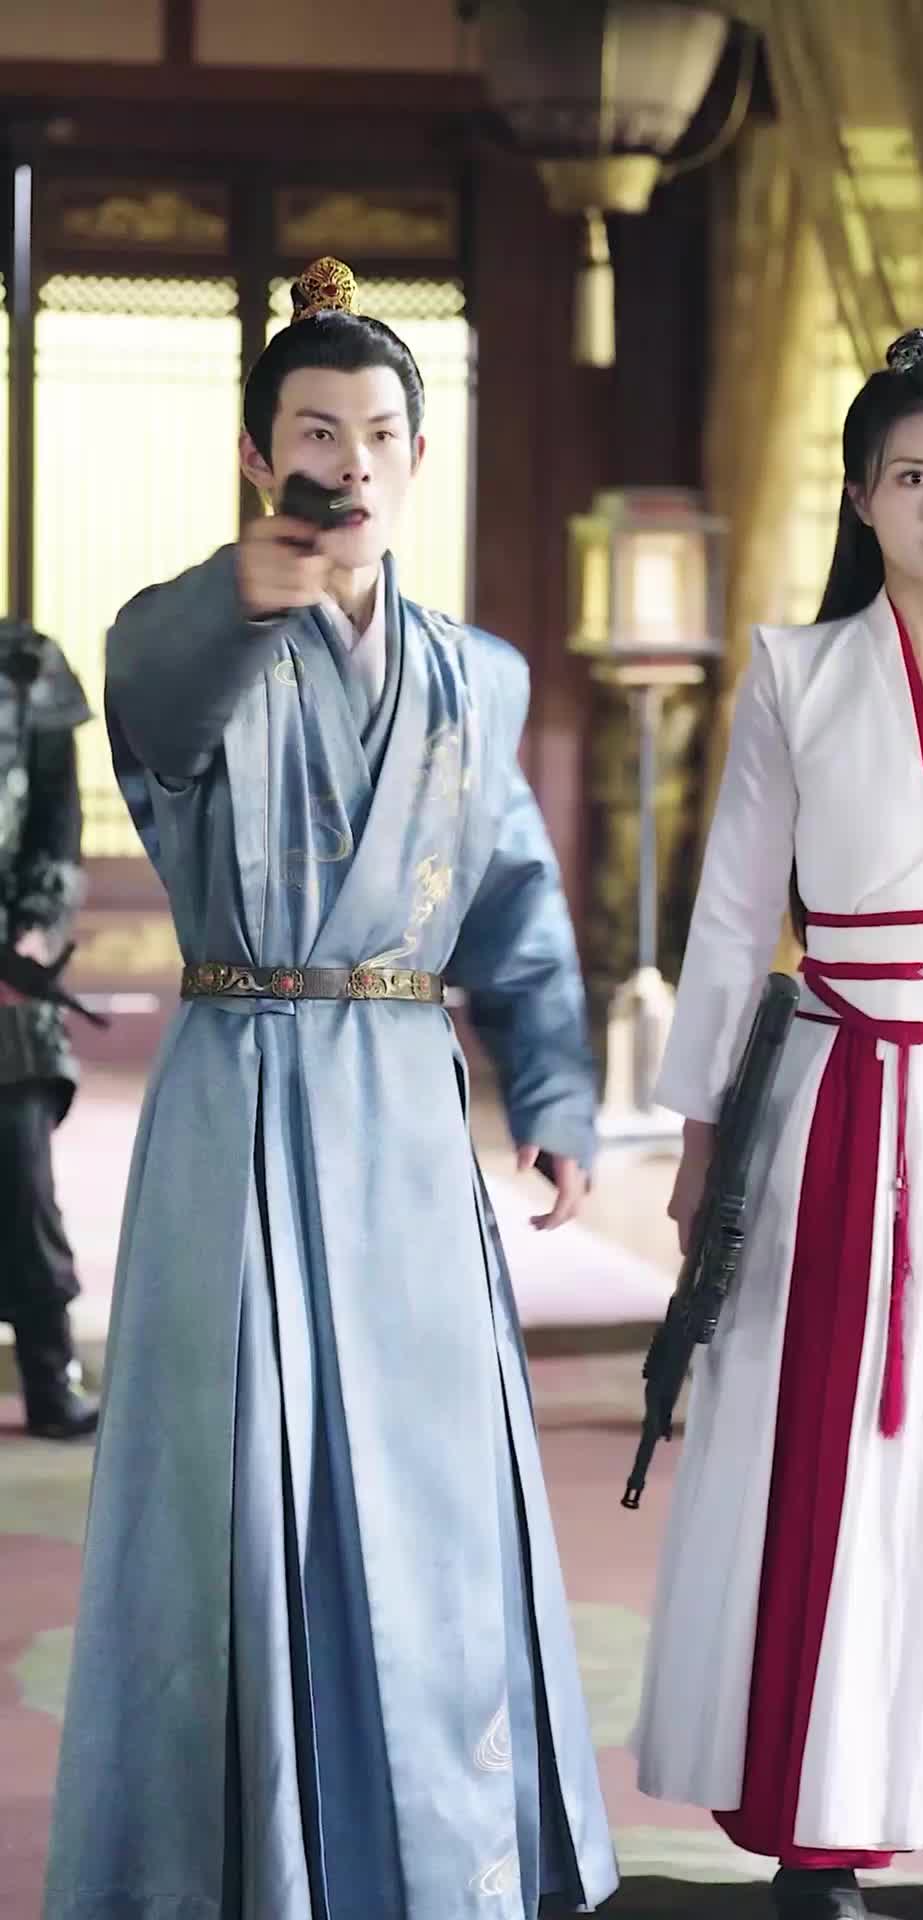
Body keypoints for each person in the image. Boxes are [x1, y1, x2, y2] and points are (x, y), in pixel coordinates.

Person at [45, 256, 617, 1920]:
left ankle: (425, 1851)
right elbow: (153, 689)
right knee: (239, 1486)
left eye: (377, 434)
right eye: (313, 432)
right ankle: (240, 1863)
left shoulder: (477, 678)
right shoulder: (186, 641)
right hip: (239, 1100)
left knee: (427, 1491)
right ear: (256, 454)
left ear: (417, 459)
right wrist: (251, 587)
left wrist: (556, 1097)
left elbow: (514, 906)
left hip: (401, 1116)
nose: (349, 462)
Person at [634, 327, 923, 1920]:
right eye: (911, 476)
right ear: (860, 497)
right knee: (833, 1443)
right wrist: (700, 1138)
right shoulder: (798, 675)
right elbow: (732, 913)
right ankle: (818, 1830)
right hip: (839, 1093)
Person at [0, 616, 96, 1440]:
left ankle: (50, 1371)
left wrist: (32, 933)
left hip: (4, 967)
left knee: (23, 1180)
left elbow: (58, 820)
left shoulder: (24, 665)